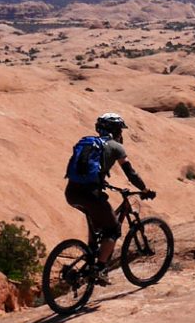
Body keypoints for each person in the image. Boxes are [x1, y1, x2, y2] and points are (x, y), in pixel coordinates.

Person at [65, 113, 153, 278]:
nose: (121, 133)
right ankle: (99, 269)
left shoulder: (88, 143)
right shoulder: (115, 147)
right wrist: (144, 189)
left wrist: (101, 182)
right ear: (116, 130)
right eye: (120, 129)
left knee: (96, 221)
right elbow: (130, 173)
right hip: (90, 195)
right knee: (113, 229)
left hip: (71, 193)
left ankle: (91, 253)